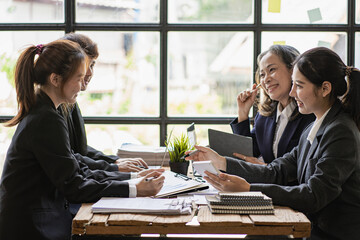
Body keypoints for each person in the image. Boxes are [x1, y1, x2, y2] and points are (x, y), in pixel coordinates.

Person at [187, 47, 360, 239]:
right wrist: (221, 162)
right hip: (309, 227)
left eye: (300, 86)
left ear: (325, 89)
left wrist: (248, 189)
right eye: (294, 84)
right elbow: (276, 171)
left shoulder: (340, 131)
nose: (293, 93)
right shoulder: (316, 127)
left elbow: (313, 195)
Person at [0, 40, 165, 240]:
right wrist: (134, 189)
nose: (83, 84)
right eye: (78, 78)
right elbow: (74, 186)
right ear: (55, 79)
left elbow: (76, 168)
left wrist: (132, 180)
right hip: (33, 227)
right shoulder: (46, 119)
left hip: (42, 219)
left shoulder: (46, 111)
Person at [60, 33, 147, 173]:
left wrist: (114, 160)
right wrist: (116, 168)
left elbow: (78, 149)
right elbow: (68, 157)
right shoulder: (51, 110)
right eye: (84, 66)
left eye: (92, 65)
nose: (88, 73)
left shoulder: (69, 101)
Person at [230, 45, 315, 165]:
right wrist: (243, 113)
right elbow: (247, 155)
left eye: (272, 70)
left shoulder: (311, 113)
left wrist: (265, 169)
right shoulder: (265, 115)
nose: (266, 80)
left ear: (293, 70)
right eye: (262, 74)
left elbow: (306, 167)